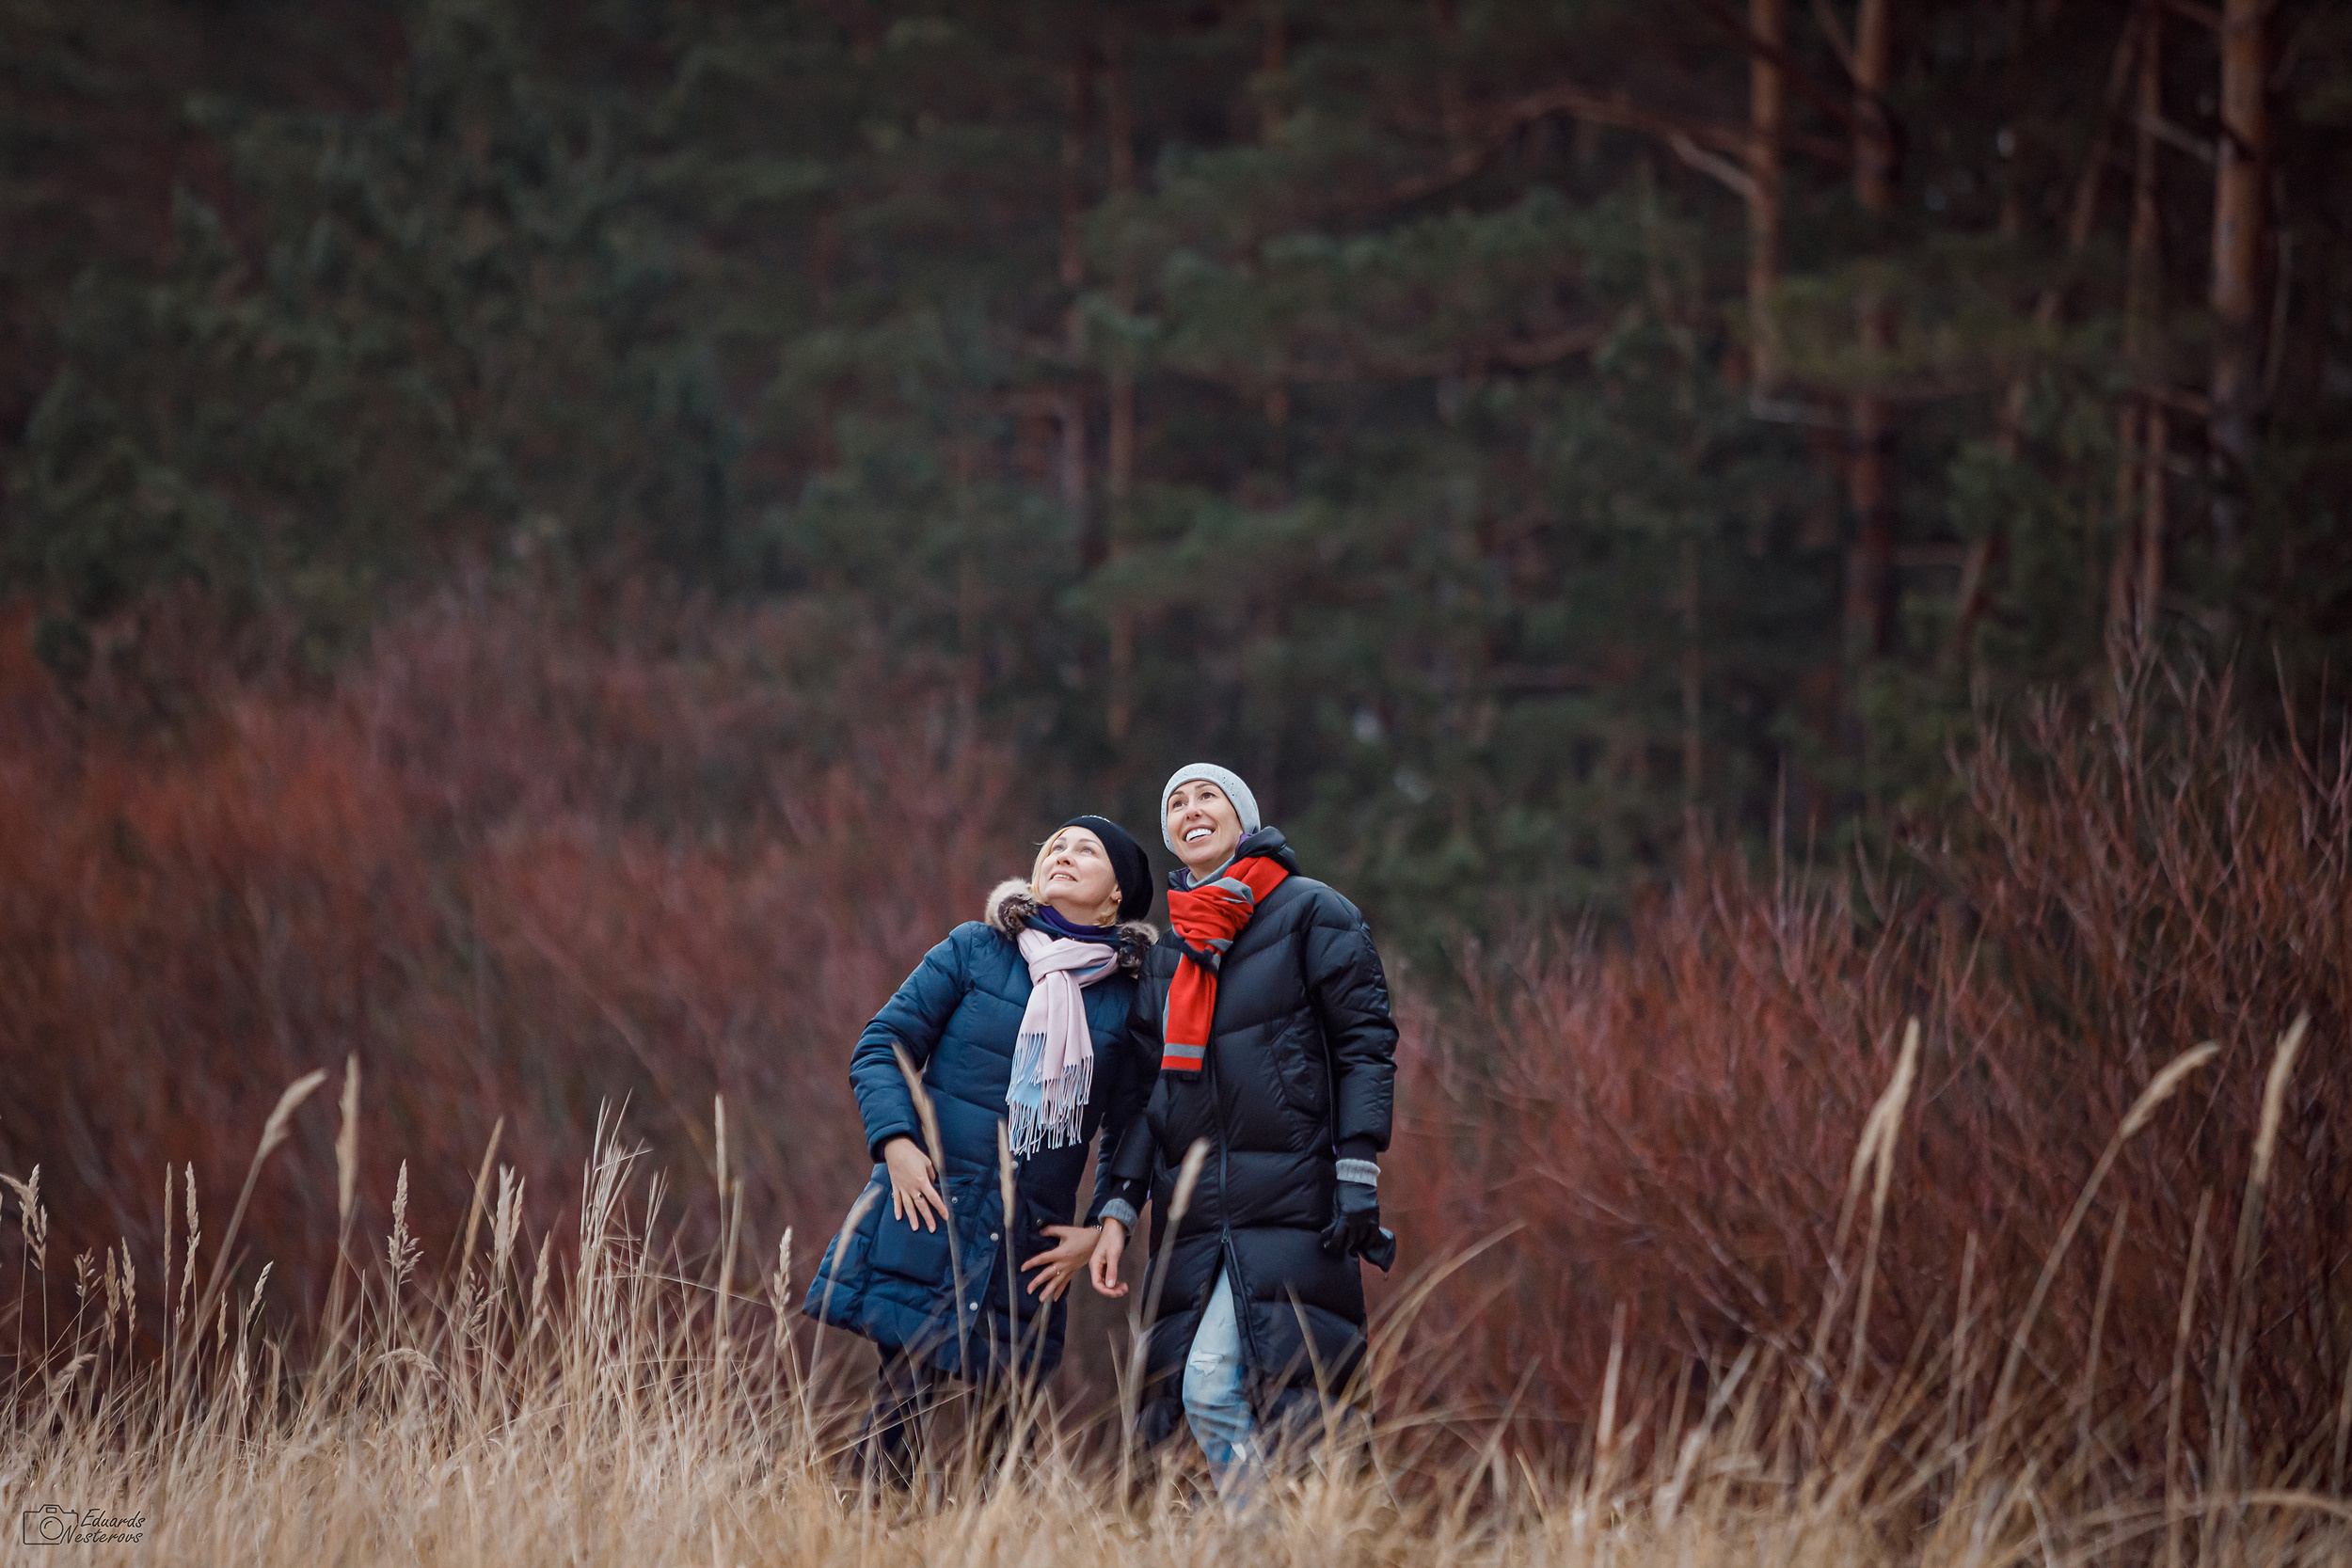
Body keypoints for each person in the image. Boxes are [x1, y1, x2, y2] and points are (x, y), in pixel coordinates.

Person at [803, 815, 1159, 1488]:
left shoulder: (1131, 996)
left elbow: (1136, 1123)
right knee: (897, 1411)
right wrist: (897, 1143)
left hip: (1033, 1242)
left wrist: (1107, 1221)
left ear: (1118, 894)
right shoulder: (975, 949)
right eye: (1055, 842)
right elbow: (882, 1045)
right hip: (934, 1207)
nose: (1063, 851)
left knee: (1006, 1445)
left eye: (1087, 849)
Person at [1087, 764, 1398, 1505]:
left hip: (1291, 1198)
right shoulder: (1166, 960)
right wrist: (1119, 1205)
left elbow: (1365, 1041)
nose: (1190, 810)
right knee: (1221, 1410)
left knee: (1226, 1388)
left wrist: (1359, 1162)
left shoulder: (1310, 912)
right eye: (1175, 803)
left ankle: (1277, 1539)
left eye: (1207, 796)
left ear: (1244, 817)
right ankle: (1302, 1539)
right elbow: (1144, 1098)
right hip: (1193, 1216)